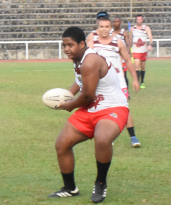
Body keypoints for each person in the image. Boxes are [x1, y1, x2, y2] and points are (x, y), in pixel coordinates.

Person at [48, 26, 130, 203]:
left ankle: (100, 183)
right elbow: (80, 82)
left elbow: (87, 95)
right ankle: (70, 188)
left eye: (70, 45)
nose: (66, 49)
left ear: (82, 44)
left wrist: (69, 105)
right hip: (90, 109)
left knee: (102, 138)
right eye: (64, 45)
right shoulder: (78, 59)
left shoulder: (90, 60)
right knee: (62, 144)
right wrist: (66, 95)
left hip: (112, 107)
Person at [87, 17, 141, 147]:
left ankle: (133, 137)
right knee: (102, 109)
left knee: (124, 108)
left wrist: (134, 79)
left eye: (107, 27)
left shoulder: (118, 42)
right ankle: (108, 137)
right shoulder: (92, 42)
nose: (104, 29)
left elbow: (127, 60)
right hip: (100, 83)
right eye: (102, 27)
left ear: (110, 28)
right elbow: (86, 61)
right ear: (97, 28)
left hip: (119, 83)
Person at [130, 14, 153, 89]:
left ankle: (142, 82)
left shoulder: (146, 28)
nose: (139, 21)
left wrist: (150, 44)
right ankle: (136, 81)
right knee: (137, 66)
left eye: (140, 19)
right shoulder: (132, 29)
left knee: (143, 67)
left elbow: (150, 37)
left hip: (144, 51)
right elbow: (130, 39)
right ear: (136, 20)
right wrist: (129, 48)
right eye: (138, 20)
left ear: (142, 20)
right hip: (136, 50)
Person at [111, 18, 132, 90]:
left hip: (122, 57)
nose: (115, 23)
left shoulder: (123, 32)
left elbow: (128, 43)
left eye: (117, 22)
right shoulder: (110, 32)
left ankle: (126, 91)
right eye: (114, 22)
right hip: (113, 57)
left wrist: (128, 51)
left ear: (120, 23)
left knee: (123, 75)